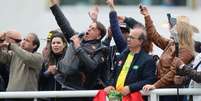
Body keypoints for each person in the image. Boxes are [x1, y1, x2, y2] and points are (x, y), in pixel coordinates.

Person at [49, 0, 107, 92]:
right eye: (89, 27)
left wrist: (78, 48)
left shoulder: (100, 49)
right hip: (62, 85)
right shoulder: (77, 38)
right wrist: (53, 5)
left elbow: (92, 66)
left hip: (79, 91)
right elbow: (63, 23)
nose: (89, 29)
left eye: (93, 29)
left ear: (99, 36)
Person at [140, 6, 195, 101]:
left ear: (180, 30)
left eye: (174, 26)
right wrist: (147, 16)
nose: (171, 28)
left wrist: (155, 85)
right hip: (162, 87)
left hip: (171, 92)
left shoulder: (186, 50)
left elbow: (172, 73)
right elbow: (154, 36)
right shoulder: (172, 43)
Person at [104, 7, 156, 100]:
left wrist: (130, 88)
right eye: (129, 37)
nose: (128, 39)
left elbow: (150, 80)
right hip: (116, 96)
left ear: (140, 41)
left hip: (133, 97)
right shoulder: (121, 56)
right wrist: (111, 85)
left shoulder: (148, 60)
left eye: (132, 37)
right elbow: (113, 76)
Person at [0, 32, 43, 101]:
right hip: (10, 95)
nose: (23, 42)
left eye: (27, 41)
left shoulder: (38, 57)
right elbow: (2, 57)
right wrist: (1, 42)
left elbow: (27, 58)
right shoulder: (15, 54)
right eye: (24, 39)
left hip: (26, 97)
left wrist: (12, 46)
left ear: (34, 46)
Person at [38, 30, 67, 101]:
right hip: (47, 98)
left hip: (64, 97)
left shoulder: (68, 59)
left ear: (64, 44)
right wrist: (47, 72)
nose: (55, 45)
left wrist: (60, 70)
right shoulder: (45, 60)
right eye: (53, 43)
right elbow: (39, 80)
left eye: (58, 43)